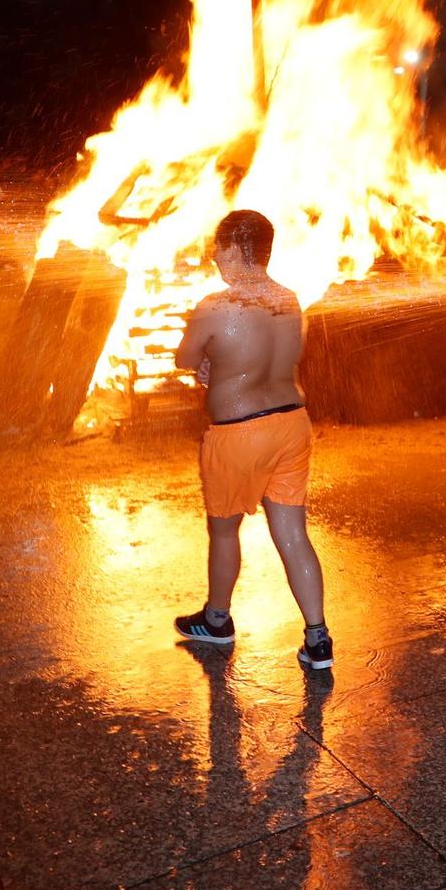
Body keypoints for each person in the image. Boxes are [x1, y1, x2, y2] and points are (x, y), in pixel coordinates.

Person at [172, 210, 332, 668]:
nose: (214, 257)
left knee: (223, 531)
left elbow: (185, 358)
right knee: (293, 535)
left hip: (239, 433)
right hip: (291, 425)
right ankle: (318, 639)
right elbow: (266, 356)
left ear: (238, 248)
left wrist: (207, 362)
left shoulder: (216, 306)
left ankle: (217, 620)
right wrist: (219, 362)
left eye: (218, 248)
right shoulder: (290, 299)